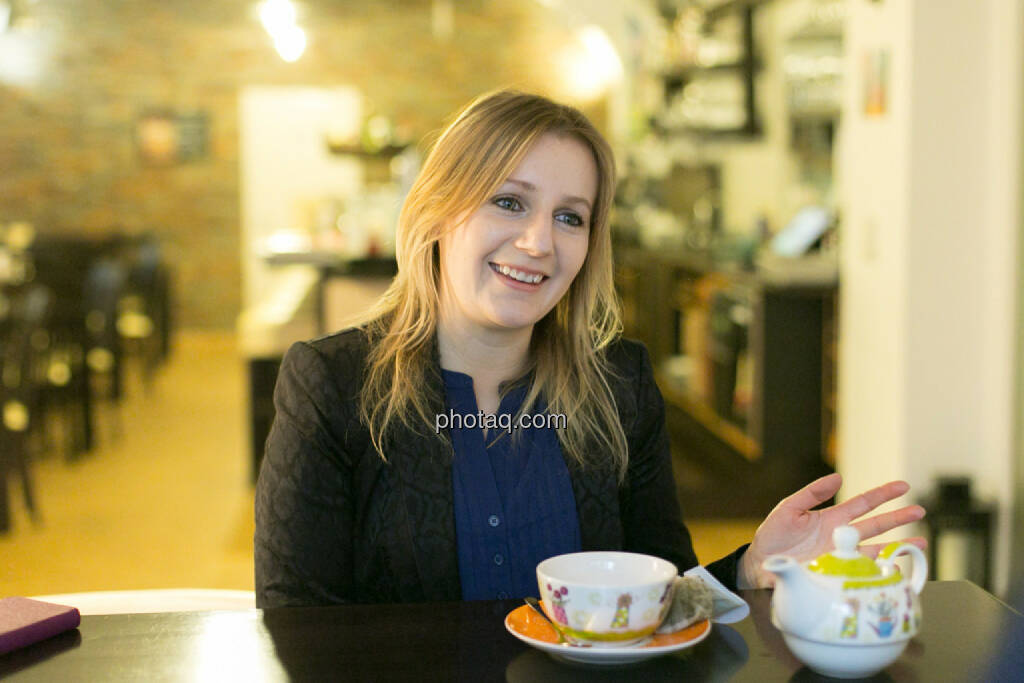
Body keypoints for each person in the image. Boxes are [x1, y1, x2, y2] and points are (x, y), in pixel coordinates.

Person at [254, 90, 926, 608]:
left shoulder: (621, 386)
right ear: (437, 210)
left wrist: (749, 569)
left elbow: (662, 599)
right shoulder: (331, 384)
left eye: (569, 217)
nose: (539, 243)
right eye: (509, 202)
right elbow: (296, 626)